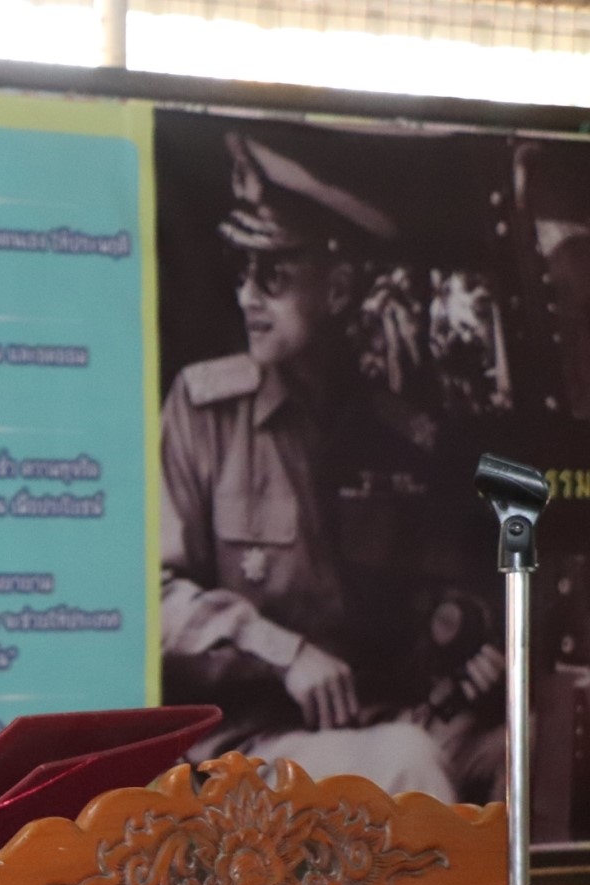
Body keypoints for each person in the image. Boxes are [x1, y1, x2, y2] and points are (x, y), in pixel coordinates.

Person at [160, 133, 503, 801]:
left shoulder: (394, 433)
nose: (247, 296)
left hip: (386, 718)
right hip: (251, 740)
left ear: (340, 288)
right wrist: (283, 652)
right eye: (241, 269)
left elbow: (435, 599)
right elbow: (154, 599)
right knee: (408, 768)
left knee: (525, 755)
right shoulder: (203, 413)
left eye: (273, 275)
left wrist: (464, 635)